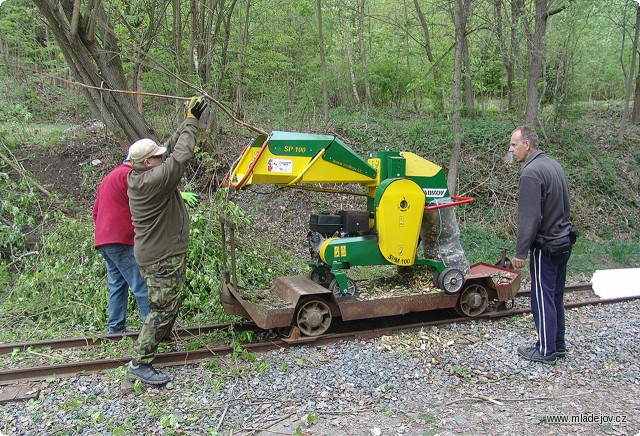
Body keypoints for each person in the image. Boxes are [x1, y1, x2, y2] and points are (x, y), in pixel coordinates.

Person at [126, 96, 207, 384]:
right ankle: (141, 362)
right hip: (161, 255)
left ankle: (160, 339)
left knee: (167, 302)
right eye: (157, 156)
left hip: (155, 252)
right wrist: (193, 124)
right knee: (162, 308)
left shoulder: (142, 174)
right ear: (148, 163)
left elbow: (171, 148)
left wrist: (187, 119)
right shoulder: (153, 181)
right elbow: (181, 154)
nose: (163, 156)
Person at [509, 125, 574, 365]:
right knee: (555, 295)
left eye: (514, 144)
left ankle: (546, 350)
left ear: (528, 145)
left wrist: (520, 252)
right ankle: (558, 344)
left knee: (542, 297)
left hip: (546, 246)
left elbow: (530, 217)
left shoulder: (531, 173)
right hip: (564, 240)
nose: (511, 149)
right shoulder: (553, 165)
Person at [93, 156, 150, 334]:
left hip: (104, 240)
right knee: (140, 283)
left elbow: (95, 211)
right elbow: (146, 203)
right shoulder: (129, 176)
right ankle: (152, 331)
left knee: (117, 284)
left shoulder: (109, 177)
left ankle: (115, 328)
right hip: (121, 239)